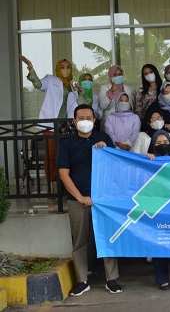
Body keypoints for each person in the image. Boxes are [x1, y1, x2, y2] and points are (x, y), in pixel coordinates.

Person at [58, 104, 122, 296]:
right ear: (74, 121)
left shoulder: (103, 138)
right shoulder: (67, 144)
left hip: (104, 201)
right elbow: (63, 173)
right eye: (81, 118)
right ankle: (82, 280)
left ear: (94, 121)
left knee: (107, 238)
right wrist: (80, 197)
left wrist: (107, 151)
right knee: (79, 241)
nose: (85, 121)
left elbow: (117, 166)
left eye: (89, 117)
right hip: (78, 200)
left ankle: (112, 279)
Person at [19, 55, 75, 184]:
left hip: (67, 127)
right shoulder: (51, 80)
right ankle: (51, 184)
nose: (65, 69)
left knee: (66, 156)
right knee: (51, 155)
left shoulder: (71, 86)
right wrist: (30, 67)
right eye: (62, 67)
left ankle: (65, 185)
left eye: (68, 67)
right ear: (57, 69)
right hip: (52, 125)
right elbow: (38, 84)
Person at [146, 130, 170, 289]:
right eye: (158, 143)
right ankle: (161, 278)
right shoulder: (148, 161)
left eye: (165, 142)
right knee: (159, 242)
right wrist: (147, 159)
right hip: (157, 208)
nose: (163, 145)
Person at [98, 65, 136, 130]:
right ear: (111, 76)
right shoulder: (104, 88)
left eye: (119, 74)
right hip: (110, 121)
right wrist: (111, 91)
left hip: (127, 120)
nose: (117, 76)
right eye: (115, 75)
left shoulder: (129, 88)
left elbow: (133, 105)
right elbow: (103, 106)